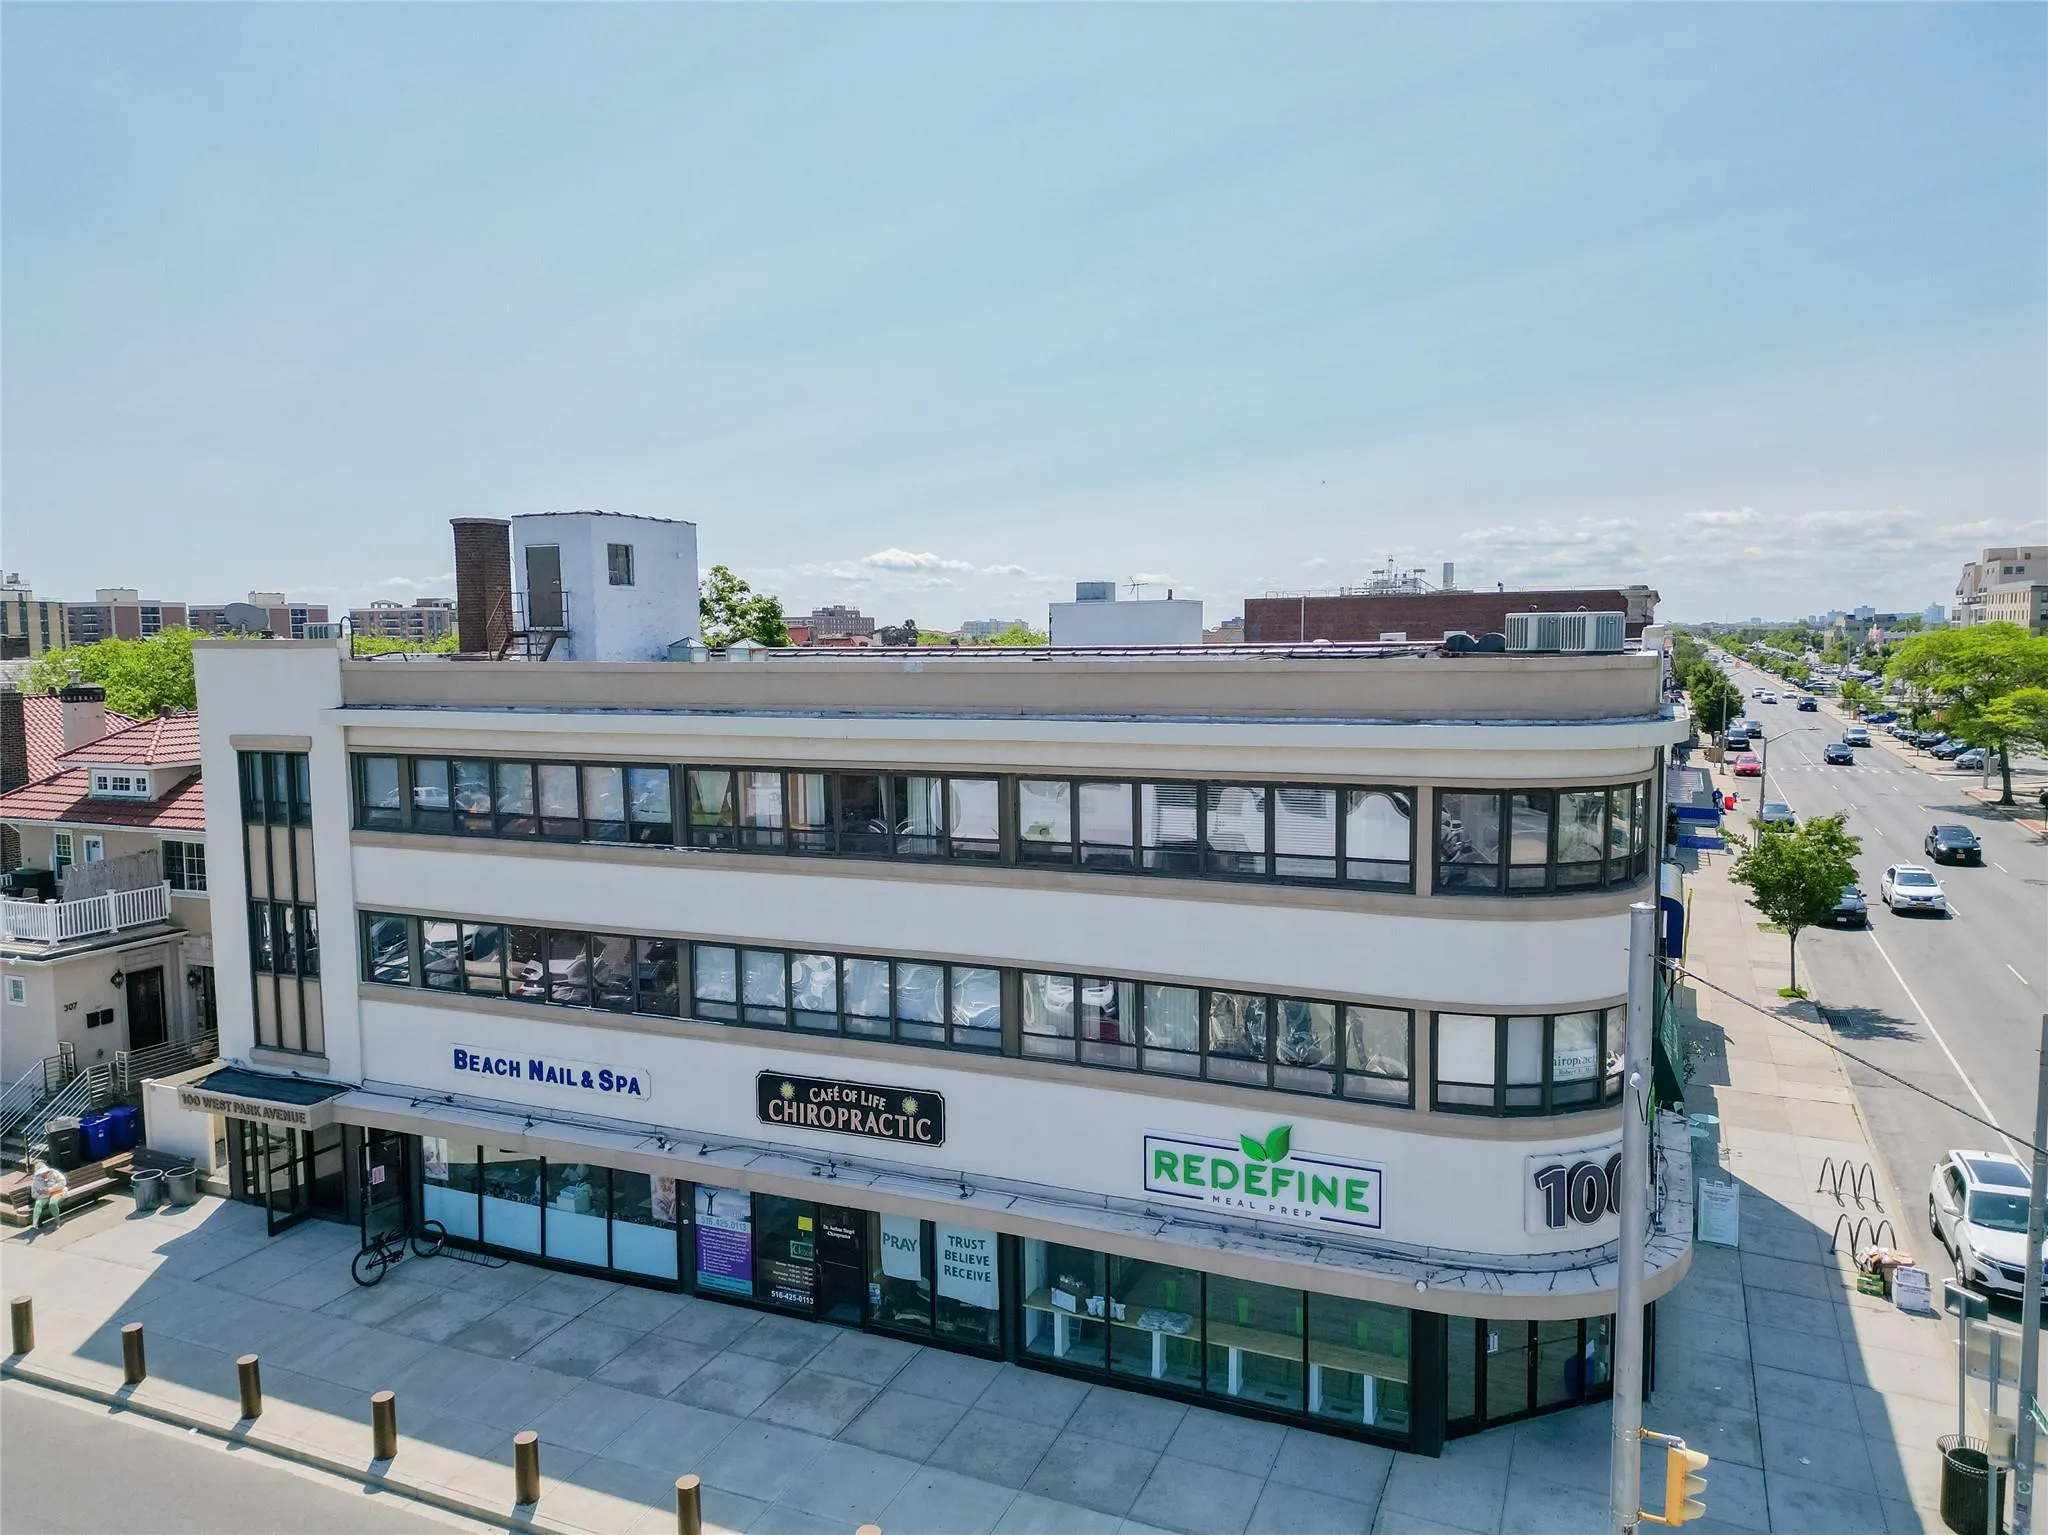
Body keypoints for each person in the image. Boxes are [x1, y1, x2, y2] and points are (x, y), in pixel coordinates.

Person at [28, 1159, 68, 1232]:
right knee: (38, 1204)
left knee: (52, 1203)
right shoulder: (36, 1179)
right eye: (41, 1173)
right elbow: (34, 1194)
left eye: (45, 1172)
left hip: (57, 1192)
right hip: (44, 1196)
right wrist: (40, 1192)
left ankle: (57, 1222)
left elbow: (63, 1183)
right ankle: (34, 1224)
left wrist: (50, 1189)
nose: (44, 1174)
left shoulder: (54, 1173)